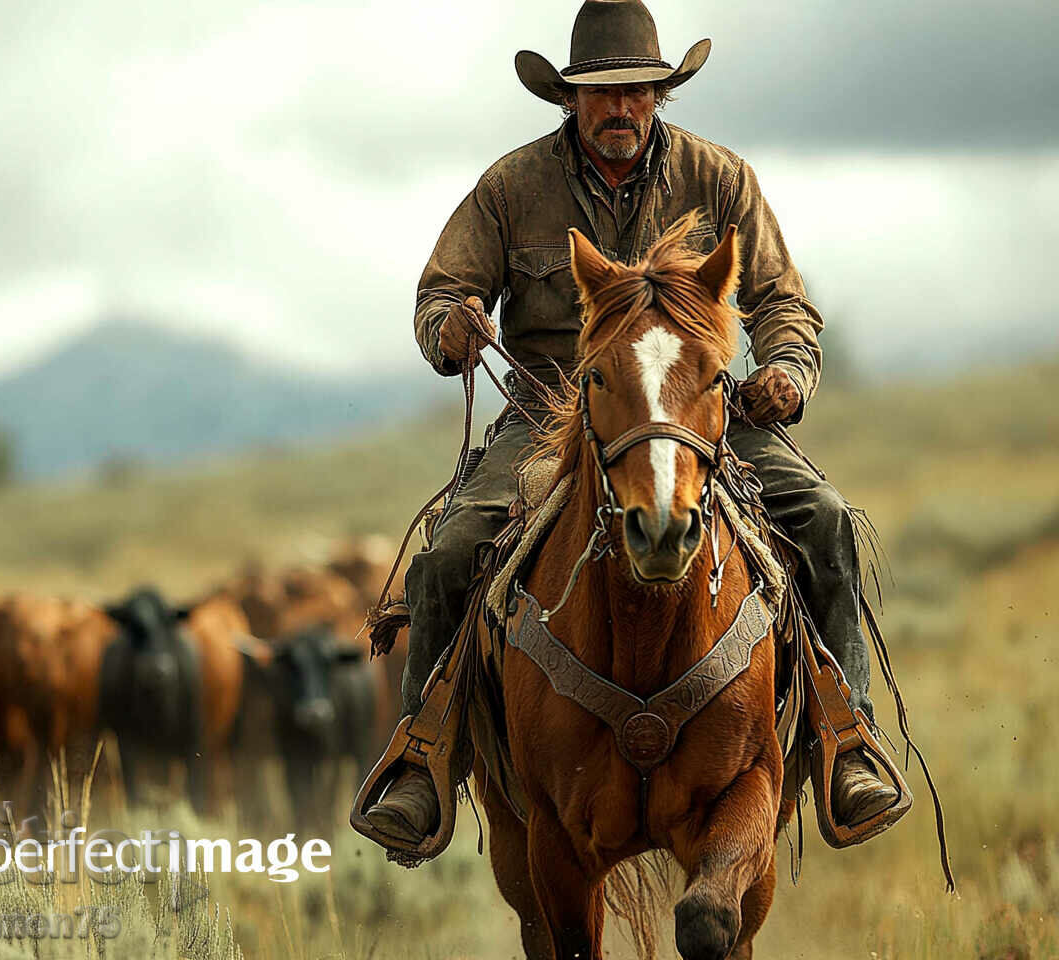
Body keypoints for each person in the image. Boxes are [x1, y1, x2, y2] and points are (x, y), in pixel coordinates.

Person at [365, 0, 899, 846]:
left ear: (661, 95)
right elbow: (441, 290)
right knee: (451, 554)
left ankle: (847, 734)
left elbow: (783, 304)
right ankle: (423, 757)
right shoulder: (512, 187)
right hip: (556, 410)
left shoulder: (720, 180)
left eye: (639, 92)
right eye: (603, 94)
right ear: (569, 98)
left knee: (825, 522)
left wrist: (789, 374)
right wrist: (452, 324)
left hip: (700, 405)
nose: (622, 109)